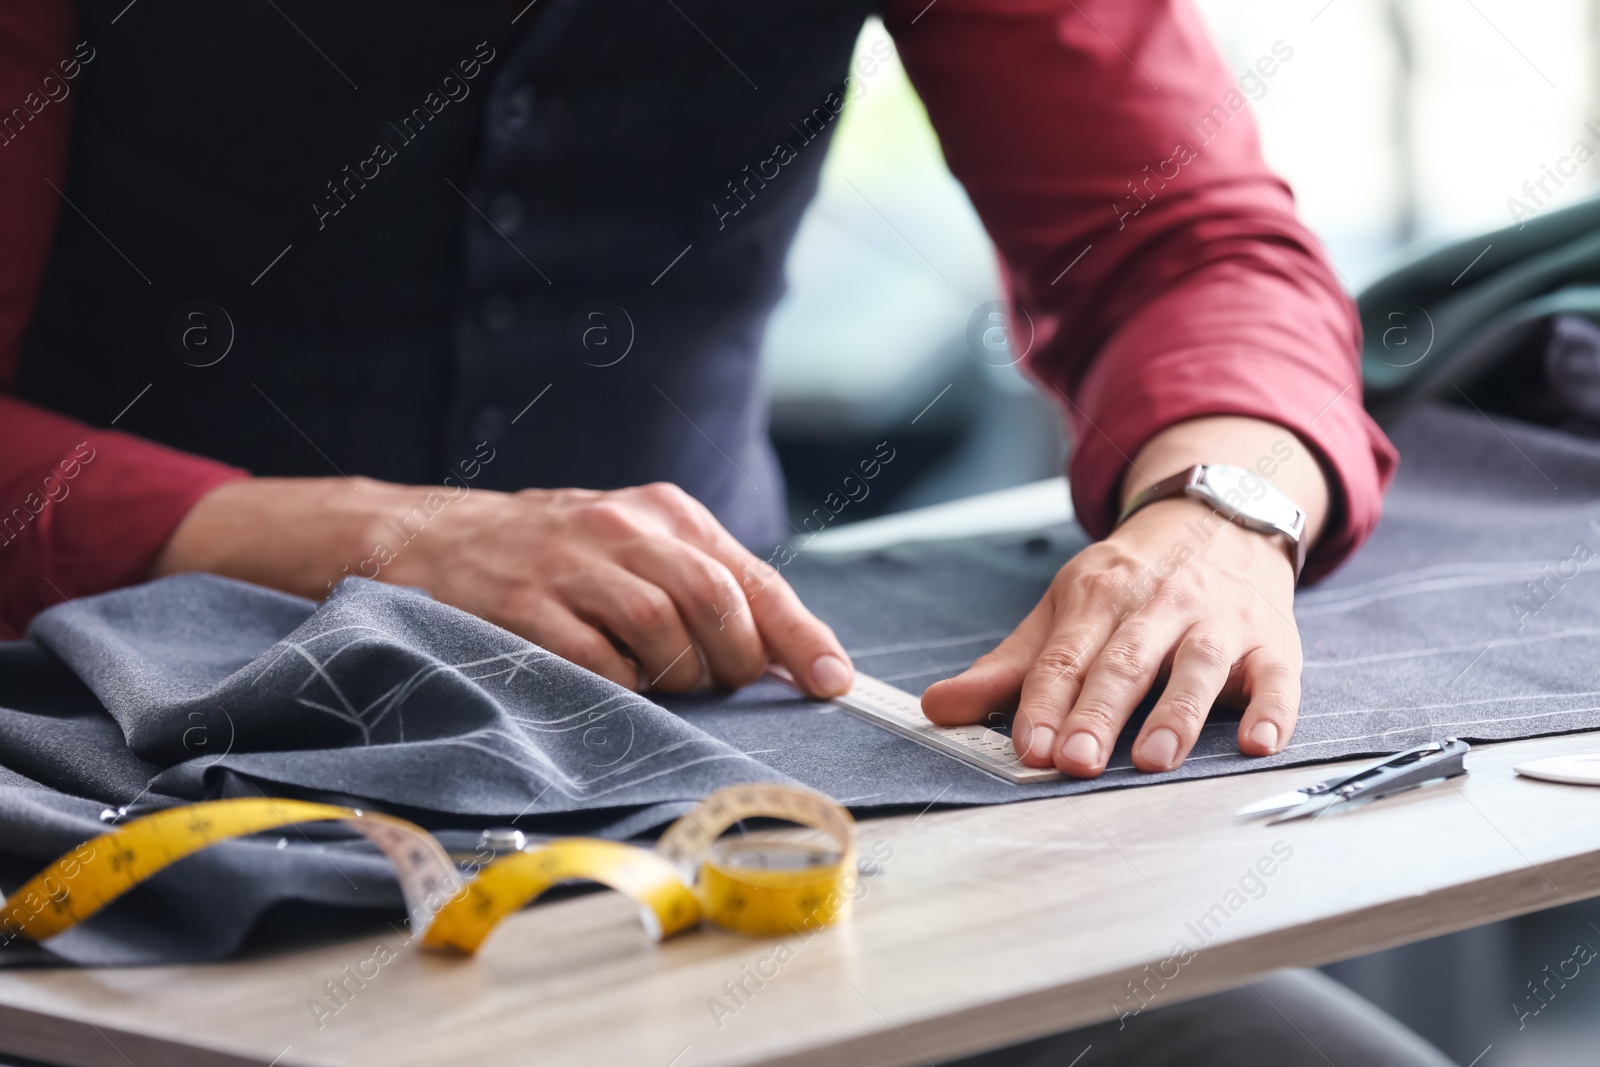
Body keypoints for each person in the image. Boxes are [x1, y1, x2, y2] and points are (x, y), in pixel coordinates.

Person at [0, 2, 1447, 1061]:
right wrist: (336, 534)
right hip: (100, 745)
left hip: (707, 747)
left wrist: (1223, 506)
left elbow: (1184, 235)